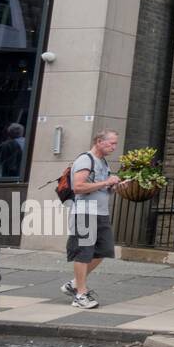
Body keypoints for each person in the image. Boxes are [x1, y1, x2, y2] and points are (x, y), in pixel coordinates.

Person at [61, 130, 122, 309]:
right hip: (85, 213)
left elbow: (99, 187)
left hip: (100, 213)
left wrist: (113, 186)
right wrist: (105, 183)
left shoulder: (103, 162)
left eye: (115, 144)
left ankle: (74, 284)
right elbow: (78, 187)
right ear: (98, 141)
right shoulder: (85, 159)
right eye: (111, 143)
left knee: (103, 250)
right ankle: (80, 295)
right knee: (83, 253)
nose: (114, 147)